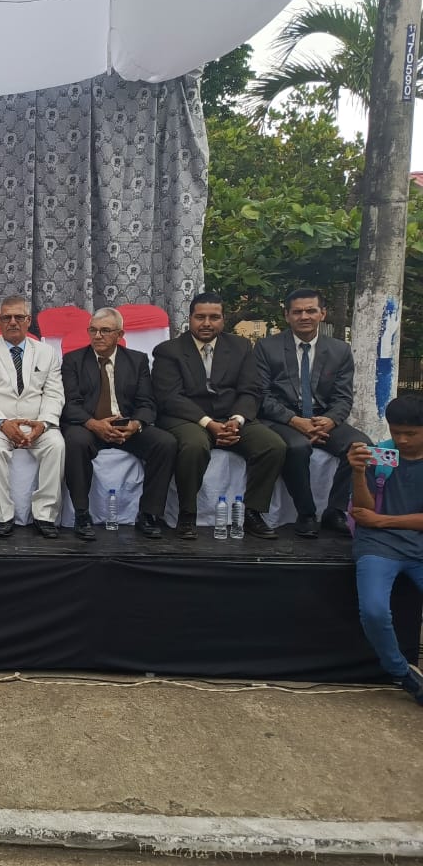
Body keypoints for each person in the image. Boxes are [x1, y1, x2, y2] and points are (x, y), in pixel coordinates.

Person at [152, 291, 286, 540]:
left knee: (272, 445)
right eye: (200, 317)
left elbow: (250, 389)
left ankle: (253, 513)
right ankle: (187, 514)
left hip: (230, 416)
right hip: (187, 418)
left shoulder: (241, 347)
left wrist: (237, 420)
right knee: (194, 446)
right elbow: (169, 397)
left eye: (214, 317)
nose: (206, 323)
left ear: (223, 319)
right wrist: (209, 424)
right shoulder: (168, 351)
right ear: (189, 318)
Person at [255, 288, 366, 538]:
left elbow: (343, 397)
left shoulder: (340, 350)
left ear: (322, 313)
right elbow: (261, 396)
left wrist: (331, 420)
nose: (304, 316)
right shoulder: (266, 347)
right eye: (297, 312)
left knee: (361, 446)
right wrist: (295, 421)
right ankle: (306, 514)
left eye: (310, 310)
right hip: (283, 418)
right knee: (297, 447)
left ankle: (335, 511)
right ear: (287, 315)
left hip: (322, 418)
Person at [60, 307, 176, 540]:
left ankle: (149, 514)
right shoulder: (73, 360)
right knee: (75, 441)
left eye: (105, 330)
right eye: (93, 330)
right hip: (89, 426)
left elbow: (147, 402)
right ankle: (82, 514)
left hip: (126, 426)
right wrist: (93, 424)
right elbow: (69, 404)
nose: (97, 336)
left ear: (120, 334)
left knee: (166, 443)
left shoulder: (137, 360)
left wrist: (136, 424)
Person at [347, 395, 423, 705]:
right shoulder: (381, 454)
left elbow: (374, 518)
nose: (402, 440)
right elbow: (363, 510)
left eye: (411, 433)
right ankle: (401, 672)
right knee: (375, 610)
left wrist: (382, 521)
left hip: (415, 544)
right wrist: (357, 472)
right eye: (396, 431)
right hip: (378, 546)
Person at [0, 295, 66, 539]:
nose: (13, 322)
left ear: (28, 321)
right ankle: (3, 516)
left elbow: (54, 394)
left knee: (56, 444)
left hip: (37, 424)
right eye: (7, 317)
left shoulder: (47, 352)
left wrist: (43, 424)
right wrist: (2, 423)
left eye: (19, 317)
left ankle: (45, 515)